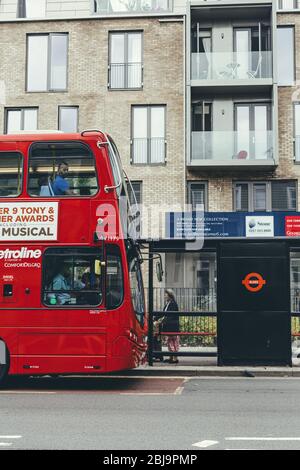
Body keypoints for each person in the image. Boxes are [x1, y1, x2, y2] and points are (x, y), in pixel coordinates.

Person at [161, 289, 180, 364]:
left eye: (166, 294)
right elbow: (163, 314)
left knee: (174, 342)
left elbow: (170, 316)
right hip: (168, 326)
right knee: (169, 342)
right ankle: (171, 357)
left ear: (170, 295)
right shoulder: (168, 304)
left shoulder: (173, 304)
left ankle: (175, 358)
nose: (165, 296)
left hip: (172, 326)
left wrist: (161, 321)